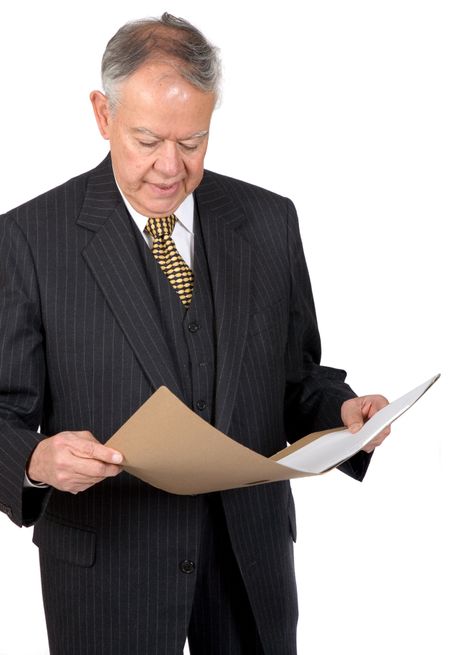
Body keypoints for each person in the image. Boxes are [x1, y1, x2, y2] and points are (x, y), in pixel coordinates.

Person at [0, 13, 390, 655]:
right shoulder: (29, 239)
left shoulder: (269, 221)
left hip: (249, 566)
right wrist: (36, 462)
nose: (168, 167)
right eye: (148, 139)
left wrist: (342, 412)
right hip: (108, 577)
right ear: (102, 114)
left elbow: (298, 379)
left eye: (192, 142)